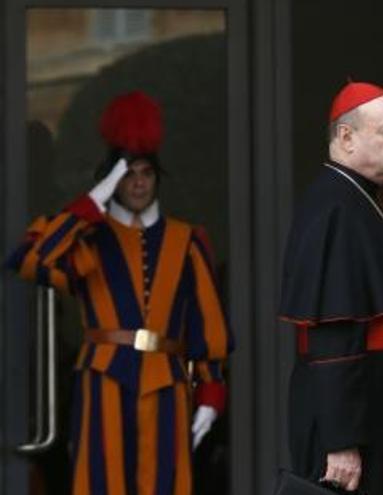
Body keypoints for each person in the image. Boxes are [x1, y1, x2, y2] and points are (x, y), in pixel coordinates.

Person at [6, 91, 233, 494]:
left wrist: (211, 393)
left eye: (146, 172)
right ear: (113, 180)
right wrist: (96, 198)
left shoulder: (187, 241)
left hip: (167, 379)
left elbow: (206, 324)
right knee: (101, 483)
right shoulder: (90, 240)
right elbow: (30, 259)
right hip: (103, 378)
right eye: (128, 174)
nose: (139, 182)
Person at [279, 81, 383, 494]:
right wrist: (340, 442)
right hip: (356, 428)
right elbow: (333, 335)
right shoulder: (335, 206)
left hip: (380, 413)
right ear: (346, 137)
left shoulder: (361, 199)